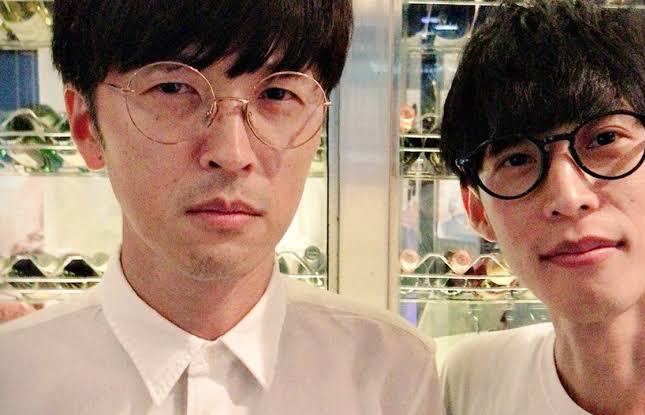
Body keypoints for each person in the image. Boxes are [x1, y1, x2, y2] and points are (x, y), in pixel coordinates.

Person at [0, 1, 442, 414]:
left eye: (278, 95)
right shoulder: (15, 378)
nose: (232, 153)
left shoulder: (390, 374)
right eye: (172, 88)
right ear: (86, 127)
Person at [438, 1, 645, 414]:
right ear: (477, 210)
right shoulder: (469, 383)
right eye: (517, 159)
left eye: (604, 140)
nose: (567, 197)